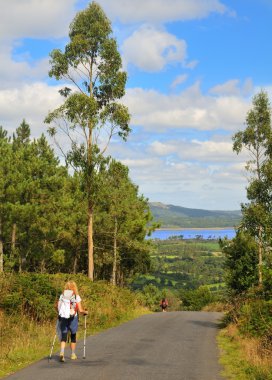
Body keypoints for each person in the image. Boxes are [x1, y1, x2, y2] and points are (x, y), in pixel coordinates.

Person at [57, 280, 88, 362]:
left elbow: (58, 306)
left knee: (64, 335)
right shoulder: (76, 297)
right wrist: (85, 312)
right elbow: (80, 310)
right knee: (73, 335)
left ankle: (62, 352)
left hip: (63, 317)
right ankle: (73, 354)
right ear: (75, 288)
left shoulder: (62, 296)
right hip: (73, 317)